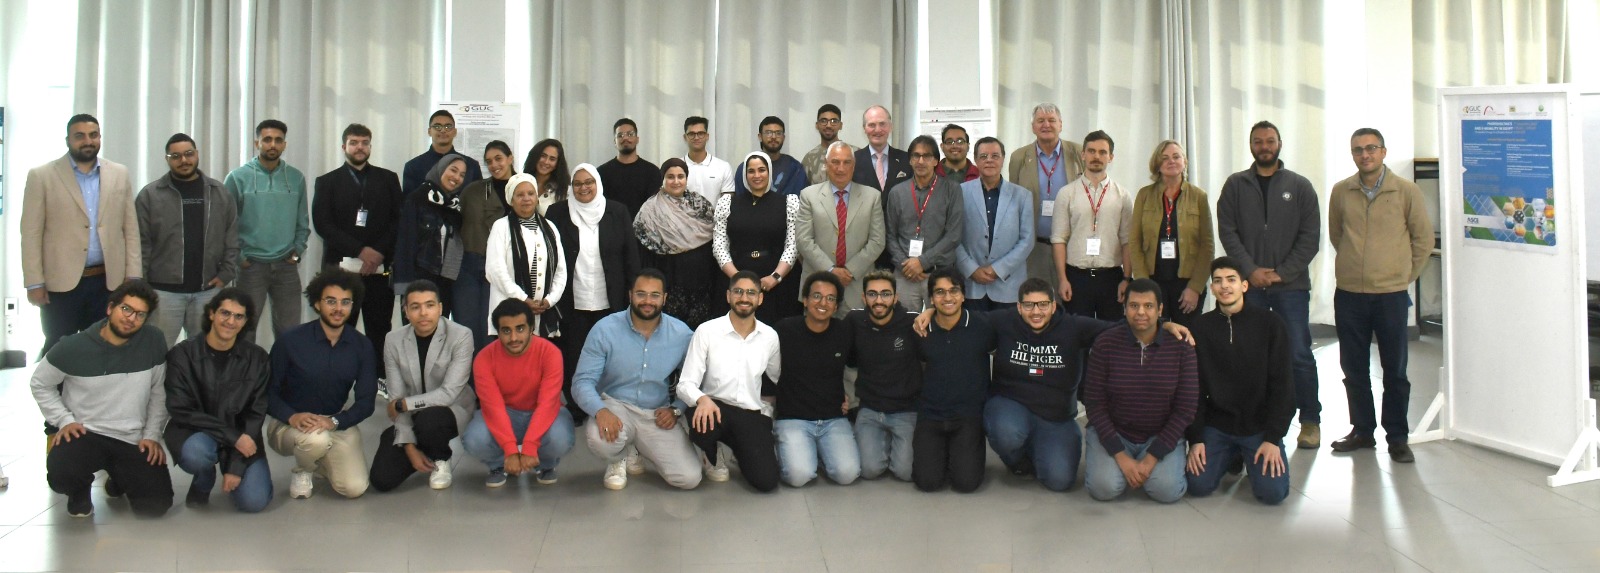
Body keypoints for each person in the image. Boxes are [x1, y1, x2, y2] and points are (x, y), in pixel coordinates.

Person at [1328, 127, 1433, 464]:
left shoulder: (1406, 191)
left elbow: (1423, 240)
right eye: (1358, 149)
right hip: (1350, 294)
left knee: (1395, 370)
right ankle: (1362, 430)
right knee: (1353, 367)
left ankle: (1398, 437)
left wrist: (1402, 276)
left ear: (1383, 152)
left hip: (1390, 295)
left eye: (1371, 148)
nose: (1365, 155)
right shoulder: (1341, 191)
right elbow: (1337, 235)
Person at [1217, 121, 1323, 448]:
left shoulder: (1300, 186)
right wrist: (1249, 271)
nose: (1264, 146)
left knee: (1299, 353)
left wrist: (1281, 273)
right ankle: (1254, 421)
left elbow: (1310, 237)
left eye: (1270, 141)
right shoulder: (1235, 185)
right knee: (1250, 356)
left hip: (1291, 288)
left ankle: (1310, 420)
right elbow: (1227, 232)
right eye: (1258, 141)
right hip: (1249, 288)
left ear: (1280, 144)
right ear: (1251, 145)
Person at [32, 280, 171, 518]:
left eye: (140, 314)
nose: (131, 318)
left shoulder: (152, 341)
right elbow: (40, 383)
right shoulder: (72, 347)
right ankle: (79, 491)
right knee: (62, 473)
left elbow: (160, 392)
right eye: (126, 309)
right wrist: (64, 420)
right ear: (110, 308)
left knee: (156, 505)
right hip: (85, 434)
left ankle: (119, 479)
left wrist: (152, 435)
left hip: (132, 437)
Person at [23, 113, 142, 357]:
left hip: (107, 282)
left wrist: (133, 276)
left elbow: (130, 229)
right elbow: (31, 233)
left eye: (93, 135)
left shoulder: (119, 173)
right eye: (80, 136)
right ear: (68, 140)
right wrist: (34, 282)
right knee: (58, 348)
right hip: (60, 284)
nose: (87, 141)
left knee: (104, 347)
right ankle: (54, 384)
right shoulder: (42, 176)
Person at [572, 269, 702, 491]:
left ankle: (638, 446)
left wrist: (676, 409)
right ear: (630, 295)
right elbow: (581, 382)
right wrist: (600, 411)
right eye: (641, 294)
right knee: (600, 440)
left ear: (664, 298)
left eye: (655, 295)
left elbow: (696, 379)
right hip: (615, 406)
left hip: (655, 413)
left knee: (689, 478)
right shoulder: (604, 329)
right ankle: (618, 457)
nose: (648, 301)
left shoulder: (682, 334)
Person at [1185, 257, 1294, 505]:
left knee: (1272, 494)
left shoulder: (1270, 324)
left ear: (1244, 286)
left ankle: (1246, 454)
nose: (1225, 286)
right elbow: (1194, 389)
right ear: (1212, 288)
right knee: (1198, 485)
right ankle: (1233, 456)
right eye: (1218, 281)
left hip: (1259, 426)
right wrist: (1196, 439)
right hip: (1218, 425)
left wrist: (1273, 438)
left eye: (1231, 280)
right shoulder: (1200, 327)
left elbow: (1283, 385)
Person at [1082, 279, 1198, 503]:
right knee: (1104, 488)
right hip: (1115, 432)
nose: (1141, 312)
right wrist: (1121, 457)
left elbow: (1185, 409)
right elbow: (1094, 404)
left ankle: (1150, 467)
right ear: (1124, 309)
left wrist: (1152, 457)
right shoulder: (1105, 344)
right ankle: (1121, 466)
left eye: (1148, 306)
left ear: (1160, 310)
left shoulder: (1181, 347)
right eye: (1134, 306)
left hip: (1160, 433)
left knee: (1166, 491)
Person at [266, 269, 377, 500]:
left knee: (354, 488)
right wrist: (291, 417)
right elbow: (267, 393)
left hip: (333, 421)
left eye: (345, 302)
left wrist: (335, 421)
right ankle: (303, 469)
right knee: (316, 440)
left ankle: (318, 462)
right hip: (289, 424)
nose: (338, 309)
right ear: (317, 303)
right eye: (331, 301)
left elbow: (366, 401)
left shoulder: (362, 346)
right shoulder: (290, 341)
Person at [546, 164, 641, 424]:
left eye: (589, 182)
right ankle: (578, 407)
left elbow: (631, 256)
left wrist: (634, 291)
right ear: (571, 187)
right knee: (574, 356)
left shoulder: (617, 211)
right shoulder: (557, 213)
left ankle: (611, 405)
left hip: (610, 299)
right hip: (572, 300)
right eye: (577, 183)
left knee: (611, 355)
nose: (584, 187)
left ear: (598, 183)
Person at [164, 287, 272, 512]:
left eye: (239, 316)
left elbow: (255, 414)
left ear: (245, 322)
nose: (231, 321)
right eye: (225, 313)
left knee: (254, 502)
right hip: (196, 433)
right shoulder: (182, 355)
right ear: (212, 313)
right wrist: (232, 437)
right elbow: (180, 409)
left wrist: (236, 465)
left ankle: (230, 468)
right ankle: (204, 479)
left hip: (242, 435)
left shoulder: (258, 358)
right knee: (197, 454)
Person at [678, 271, 783, 492]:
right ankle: (710, 451)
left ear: (760, 298)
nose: (744, 298)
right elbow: (685, 384)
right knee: (702, 427)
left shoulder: (770, 336)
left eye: (751, 293)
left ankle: (738, 449)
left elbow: (779, 377)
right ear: (728, 296)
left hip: (750, 414)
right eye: (738, 292)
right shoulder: (707, 331)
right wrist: (703, 400)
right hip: (715, 409)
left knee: (766, 481)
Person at [369, 280, 477, 492]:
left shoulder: (461, 335)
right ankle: (421, 447)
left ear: (440, 308)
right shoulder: (393, 340)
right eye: (415, 307)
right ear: (406, 311)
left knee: (430, 421)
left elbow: (448, 394)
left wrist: (403, 404)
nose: (423, 313)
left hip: (450, 410)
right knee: (382, 480)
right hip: (412, 416)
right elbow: (396, 396)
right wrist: (409, 447)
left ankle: (440, 458)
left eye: (429, 305)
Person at [312, 124, 402, 374]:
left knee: (379, 330)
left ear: (370, 146)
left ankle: (378, 381)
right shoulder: (327, 182)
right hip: (340, 272)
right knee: (338, 328)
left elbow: (398, 221)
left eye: (364, 143)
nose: (359, 147)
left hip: (379, 270)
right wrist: (362, 251)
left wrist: (378, 252)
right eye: (354, 143)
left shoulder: (388, 179)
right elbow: (323, 225)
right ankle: (336, 379)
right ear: (344, 147)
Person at [137, 132, 238, 347]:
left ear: (197, 154)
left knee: (204, 353)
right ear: (167, 159)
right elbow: (141, 243)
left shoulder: (219, 192)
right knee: (157, 353)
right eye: (176, 156)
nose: (184, 160)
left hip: (207, 291)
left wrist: (226, 274)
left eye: (188, 154)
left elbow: (232, 237)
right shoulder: (150, 195)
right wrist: (142, 285)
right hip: (163, 293)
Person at [462, 299, 576, 487]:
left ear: (532, 328)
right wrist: (510, 450)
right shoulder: (484, 358)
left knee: (560, 438)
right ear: (497, 331)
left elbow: (547, 403)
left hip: (542, 411)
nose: (514, 337)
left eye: (520, 329)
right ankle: (500, 465)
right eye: (506, 331)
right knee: (474, 438)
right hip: (504, 413)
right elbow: (493, 407)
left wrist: (530, 446)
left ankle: (545, 464)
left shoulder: (550, 353)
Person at [774, 272, 860, 487]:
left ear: (837, 305)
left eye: (830, 298)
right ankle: (786, 449)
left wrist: (850, 398)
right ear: (805, 300)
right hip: (793, 419)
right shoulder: (785, 330)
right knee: (798, 476)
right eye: (817, 296)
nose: (823, 303)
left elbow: (855, 367)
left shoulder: (844, 332)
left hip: (833, 419)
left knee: (847, 474)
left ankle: (817, 454)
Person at [226, 119, 309, 342]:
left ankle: (282, 367)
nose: (273, 144)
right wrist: (240, 257)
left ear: (284, 145)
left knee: (290, 333)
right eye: (267, 139)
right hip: (251, 267)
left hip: (286, 267)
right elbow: (227, 224)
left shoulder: (296, 178)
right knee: (244, 330)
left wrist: (297, 252)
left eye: (278, 140)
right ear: (257, 143)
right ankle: (245, 368)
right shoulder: (237, 178)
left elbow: (303, 222)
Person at [913, 268, 994, 493]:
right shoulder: (921, 330)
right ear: (931, 298)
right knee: (927, 482)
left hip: (967, 416)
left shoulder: (983, 325)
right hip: (931, 415)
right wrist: (928, 312)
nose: (947, 297)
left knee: (966, 483)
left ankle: (958, 453)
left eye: (953, 291)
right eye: (940, 292)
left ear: (963, 295)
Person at [794, 141, 886, 317]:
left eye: (846, 162)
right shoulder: (808, 195)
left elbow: (877, 241)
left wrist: (850, 271)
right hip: (818, 283)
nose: (841, 168)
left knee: (855, 334)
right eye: (835, 162)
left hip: (857, 285)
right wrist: (831, 271)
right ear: (826, 165)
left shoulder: (872, 196)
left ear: (854, 165)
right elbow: (803, 240)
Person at [1128, 140, 1214, 326]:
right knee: (1155, 336)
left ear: (1184, 162)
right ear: (1157, 164)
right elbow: (1134, 242)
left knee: (1187, 337)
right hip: (1153, 282)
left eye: (1176, 157)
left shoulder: (1198, 196)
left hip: (1187, 284)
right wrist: (1144, 286)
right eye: (1165, 158)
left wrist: (1195, 287)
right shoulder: (1144, 195)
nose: (1171, 161)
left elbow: (1207, 246)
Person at [847, 270, 922, 481]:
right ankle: (879, 441)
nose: (879, 300)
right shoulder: (854, 321)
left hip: (905, 410)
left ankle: (895, 445)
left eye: (885, 294)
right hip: (870, 409)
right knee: (869, 470)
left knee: (906, 472)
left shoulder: (912, 322)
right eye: (872, 294)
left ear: (895, 297)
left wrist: (931, 311)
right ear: (864, 298)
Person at [714, 151, 802, 325]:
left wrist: (775, 277)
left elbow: (792, 245)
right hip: (735, 277)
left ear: (769, 172)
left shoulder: (788, 203)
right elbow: (719, 245)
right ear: (744, 175)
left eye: (761, 170)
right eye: (751, 171)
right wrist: (738, 279)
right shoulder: (727, 203)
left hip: (777, 281)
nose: (757, 175)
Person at [1052, 130, 1132, 320]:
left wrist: (1127, 279)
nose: (1096, 156)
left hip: (1111, 278)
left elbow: (1127, 241)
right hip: (1076, 278)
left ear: (1111, 157)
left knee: (1111, 332)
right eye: (1091, 151)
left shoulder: (1122, 195)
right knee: (1077, 334)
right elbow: (1058, 239)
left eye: (1103, 152)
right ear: (1083, 154)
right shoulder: (1066, 193)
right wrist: (1062, 279)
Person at [1008, 104, 1085, 293]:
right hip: (1035, 246)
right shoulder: (1019, 157)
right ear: (1033, 126)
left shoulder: (1078, 153)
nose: (1046, 125)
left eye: (1051, 120)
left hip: (1072, 245)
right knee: (1038, 298)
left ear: (1061, 124)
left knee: (1071, 298)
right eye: (1040, 120)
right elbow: (1014, 201)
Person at [635, 159, 719, 329]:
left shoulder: (700, 205)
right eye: (670, 177)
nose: (676, 181)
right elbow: (644, 251)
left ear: (686, 178)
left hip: (702, 281)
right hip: (669, 282)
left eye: (680, 176)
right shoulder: (650, 209)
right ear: (663, 179)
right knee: (670, 330)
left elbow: (714, 238)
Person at [885, 135, 966, 312]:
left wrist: (922, 262)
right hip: (905, 274)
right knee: (904, 322)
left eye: (927, 156)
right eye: (916, 156)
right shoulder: (897, 192)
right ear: (910, 160)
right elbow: (890, 235)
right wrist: (906, 265)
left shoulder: (952, 190)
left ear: (936, 160)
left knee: (940, 322)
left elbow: (954, 235)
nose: (921, 161)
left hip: (939, 273)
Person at [955, 137, 1033, 311]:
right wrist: (971, 269)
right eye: (983, 156)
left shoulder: (1022, 195)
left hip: (1009, 285)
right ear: (975, 160)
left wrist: (998, 269)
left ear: (1003, 159)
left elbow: (1027, 241)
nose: (989, 160)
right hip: (971, 285)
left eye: (995, 156)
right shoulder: (960, 192)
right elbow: (953, 237)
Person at [485, 173, 567, 338]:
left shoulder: (550, 227)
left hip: (543, 313)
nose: (526, 199)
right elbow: (495, 271)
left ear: (537, 198)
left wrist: (550, 300)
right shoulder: (501, 227)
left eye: (531, 193)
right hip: (509, 311)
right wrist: (523, 299)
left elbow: (561, 270)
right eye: (520, 195)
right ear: (511, 200)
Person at [456, 140, 518, 349]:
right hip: (471, 266)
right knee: (468, 326)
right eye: (489, 161)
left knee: (497, 327)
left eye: (498, 159)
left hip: (508, 269)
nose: (494, 165)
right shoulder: (473, 191)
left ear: (510, 158)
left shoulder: (524, 189)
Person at [393, 153, 467, 318]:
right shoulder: (417, 199)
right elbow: (405, 244)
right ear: (440, 169)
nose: (457, 177)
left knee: (440, 328)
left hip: (444, 282)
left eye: (462, 175)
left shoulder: (454, 207)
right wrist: (405, 288)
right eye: (453, 170)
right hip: (418, 280)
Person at [402, 110, 483, 198]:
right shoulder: (413, 167)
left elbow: (479, 200)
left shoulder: (472, 165)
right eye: (437, 126)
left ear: (455, 132)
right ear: (429, 131)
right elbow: (409, 203)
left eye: (448, 126)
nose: (443, 130)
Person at [596, 118, 660, 218]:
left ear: (637, 139)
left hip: (644, 226)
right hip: (612, 226)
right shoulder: (601, 173)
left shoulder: (652, 172)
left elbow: (656, 208)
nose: (625, 138)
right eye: (620, 135)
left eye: (630, 134)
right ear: (614, 141)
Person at [735, 116, 809, 196]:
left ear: (783, 137)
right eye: (768, 133)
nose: (773, 137)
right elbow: (740, 199)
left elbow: (800, 199)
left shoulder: (795, 168)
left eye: (778, 133)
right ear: (760, 137)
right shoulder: (746, 168)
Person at [851, 105, 910, 194]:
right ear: (864, 128)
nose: (878, 130)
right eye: (872, 125)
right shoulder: (853, 160)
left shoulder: (907, 159)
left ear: (891, 127)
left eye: (882, 124)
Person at [681, 116, 735, 204]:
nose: (696, 138)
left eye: (701, 133)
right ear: (685, 137)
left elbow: (727, 203)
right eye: (691, 134)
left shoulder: (723, 167)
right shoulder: (675, 167)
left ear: (707, 136)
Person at [521, 138, 570, 216]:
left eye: (552, 159)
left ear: (557, 164)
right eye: (543, 156)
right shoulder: (520, 183)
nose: (546, 162)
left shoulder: (565, 192)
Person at [801, 104, 845, 185]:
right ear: (817, 125)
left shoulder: (854, 154)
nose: (828, 125)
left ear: (840, 125)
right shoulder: (809, 159)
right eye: (823, 121)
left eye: (834, 121)